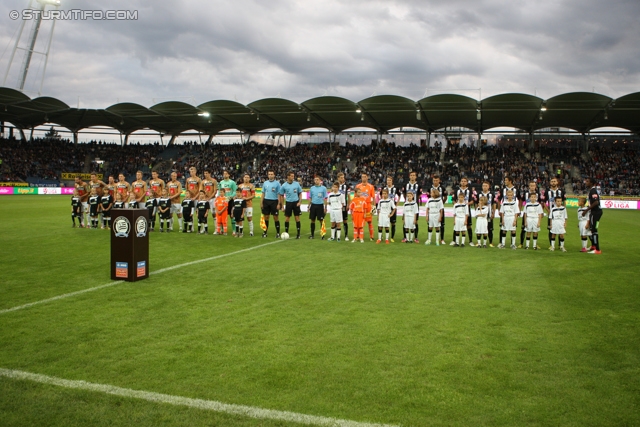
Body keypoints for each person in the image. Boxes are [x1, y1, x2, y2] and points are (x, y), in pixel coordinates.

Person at [451, 177, 475, 246]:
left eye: (465, 181)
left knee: (468, 226)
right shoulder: (457, 190)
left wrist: (467, 204)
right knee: (456, 225)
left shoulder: (470, 191)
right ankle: (454, 240)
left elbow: (473, 200)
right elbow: (453, 199)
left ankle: (470, 241)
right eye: (462, 181)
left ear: (467, 182)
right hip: (458, 210)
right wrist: (456, 204)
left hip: (466, 210)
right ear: (460, 182)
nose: (463, 182)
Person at [279, 171, 303, 239]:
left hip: (296, 202)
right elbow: (281, 196)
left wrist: (300, 202)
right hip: (288, 203)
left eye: (293, 176)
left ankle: (298, 234)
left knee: (297, 218)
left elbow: (300, 193)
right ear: (288, 177)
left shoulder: (297, 184)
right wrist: (282, 206)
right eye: (291, 176)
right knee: (287, 219)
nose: (293, 177)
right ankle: (286, 233)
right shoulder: (284, 185)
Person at [519, 181, 542, 248]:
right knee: (523, 228)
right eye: (531, 185)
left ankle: (535, 244)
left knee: (535, 230)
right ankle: (521, 243)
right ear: (529, 186)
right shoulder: (525, 193)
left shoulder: (538, 194)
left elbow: (541, 202)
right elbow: (521, 200)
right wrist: (520, 209)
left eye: (533, 186)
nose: (532, 187)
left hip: (535, 214)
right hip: (527, 214)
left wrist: (541, 213)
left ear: (535, 186)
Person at [544, 177, 565, 248]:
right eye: (552, 181)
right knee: (550, 229)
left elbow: (564, 201)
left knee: (560, 228)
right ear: (550, 183)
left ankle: (560, 245)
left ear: (557, 182)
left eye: (554, 181)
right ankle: (551, 245)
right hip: (551, 214)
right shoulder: (547, 192)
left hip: (560, 213)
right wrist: (548, 210)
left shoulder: (561, 191)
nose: (553, 182)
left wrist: (563, 209)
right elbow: (543, 202)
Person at [261, 170, 281, 238]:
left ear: (274, 175)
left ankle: (278, 233)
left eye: (271, 174)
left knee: (275, 217)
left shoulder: (277, 183)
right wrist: (261, 202)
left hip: (274, 201)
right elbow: (263, 193)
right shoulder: (265, 183)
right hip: (266, 201)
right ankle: (265, 232)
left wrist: (279, 203)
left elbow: (279, 194)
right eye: (269, 174)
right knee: (266, 217)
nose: (270, 175)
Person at [584, 177, 602, 254]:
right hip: (597, 212)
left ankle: (597, 249)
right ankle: (593, 246)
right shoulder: (592, 190)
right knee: (592, 228)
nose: (585, 182)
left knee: (594, 230)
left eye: (587, 181)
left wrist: (587, 210)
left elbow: (596, 202)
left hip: (595, 212)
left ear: (591, 183)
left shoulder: (593, 190)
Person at [355, 173, 376, 241]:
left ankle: (371, 236)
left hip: (368, 206)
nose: (363, 178)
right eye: (362, 177)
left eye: (365, 177)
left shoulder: (371, 186)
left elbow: (373, 197)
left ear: (367, 178)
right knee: (359, 222)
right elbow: (355, 197)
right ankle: (358, 236)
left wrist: (374, 206)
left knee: (369, 222)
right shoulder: (358, 186)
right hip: (360, 206)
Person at [403, 171, 423, 242]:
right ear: (409, 176)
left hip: (415, 205)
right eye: (411, 175)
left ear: (416, 176)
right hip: (407, 205)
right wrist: (407, 200)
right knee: (405, 221)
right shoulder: (406, 185)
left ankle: (416, 237)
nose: (412, 176)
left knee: (415, 221)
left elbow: (419, 195)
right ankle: (405, 237)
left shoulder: (418, 185)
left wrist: (415, 200)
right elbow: (404, 193)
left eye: (414, 175)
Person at [429, 174, 447, 244]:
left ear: (439, 180)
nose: (435, 182)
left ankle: (442, 239)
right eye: (434, 180)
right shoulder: (430, 188)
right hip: (432, 209)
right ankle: (430, 239)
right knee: (430, 224)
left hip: (440, 209)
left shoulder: (442, 188)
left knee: (442, 224)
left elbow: (445, 197)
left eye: (436, 180)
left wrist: (442, 204)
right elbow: (428, 198)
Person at [478, 180, 497, 247]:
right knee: (479, 228)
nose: (484, 187)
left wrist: (493, 213)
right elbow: (476, 204)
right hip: (481, 215)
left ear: (489, 187)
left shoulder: (492, 194)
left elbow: (494, 204)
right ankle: (479, 242)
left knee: (489, 228)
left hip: (488, 215)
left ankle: (490, 242)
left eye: (486, 186)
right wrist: (477, 212)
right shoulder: (479, 194)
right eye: (483, 186)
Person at [381, 176, 400, 242]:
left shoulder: (395, 188)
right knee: (383, 223)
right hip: (385, 208)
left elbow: (399, 196)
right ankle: (382, 236)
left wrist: (396, 205)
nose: (388, 181)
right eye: (387, 180)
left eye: (390, 180)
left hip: (392, 208)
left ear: (392, 181)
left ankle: (392, 237)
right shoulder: (384, 188)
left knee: (393, 223)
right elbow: (381, 196)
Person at [337, 172, 351, 241]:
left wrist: (348, 204)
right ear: (338, 178)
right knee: (337, 221)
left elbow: (348, 196)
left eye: (343, 177)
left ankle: (346, 236)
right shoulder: (335, 185)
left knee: (345, 221)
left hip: (344, 206)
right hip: (336, 206)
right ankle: (336, 235)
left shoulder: (346, 186)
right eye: (341, 177)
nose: (343, 179)